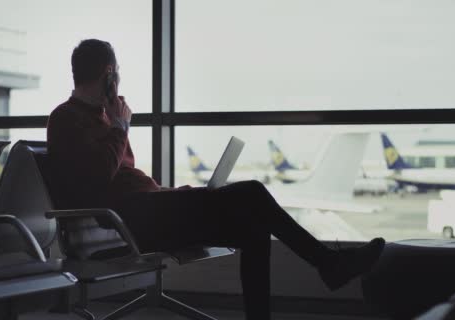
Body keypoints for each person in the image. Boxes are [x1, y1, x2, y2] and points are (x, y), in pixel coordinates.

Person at [47, 39, 385, 320]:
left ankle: (305, 284)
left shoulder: (105, 119)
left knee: (253, 230)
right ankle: (329, 264)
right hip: (127, 223)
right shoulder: (65, 119)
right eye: (116, 73)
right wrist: (121, 129)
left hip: (145, 211)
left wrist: (173, 193)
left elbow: (127, 179)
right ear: (109, 74)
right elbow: (96, 179)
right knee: (251, 192)